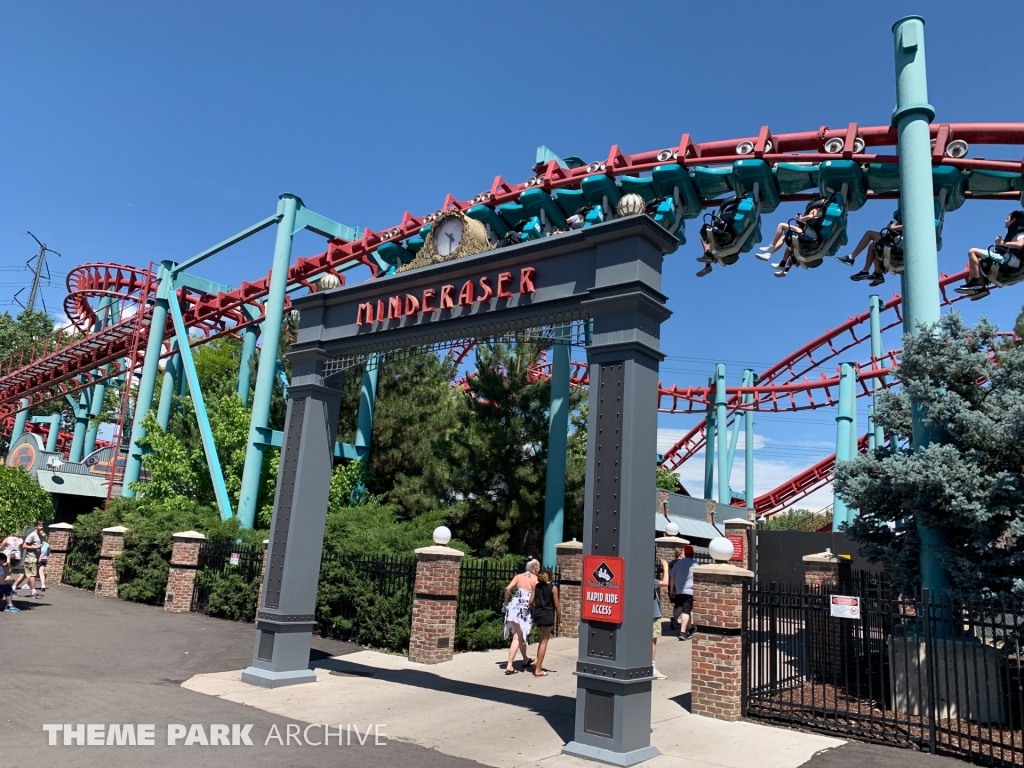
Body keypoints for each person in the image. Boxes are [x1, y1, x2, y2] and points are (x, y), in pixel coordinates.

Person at [755, 197, 828, 278]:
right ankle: (782, 265)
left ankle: (771, 248)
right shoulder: (823, 214)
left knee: (781, 225)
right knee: (789, 244)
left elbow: (811, 216)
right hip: (812, 236)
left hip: (808, 234)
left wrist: (800, 219)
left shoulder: (815, 209)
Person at [955, 210, 1024, 297]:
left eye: (1008, 218)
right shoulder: (1014, 232)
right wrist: (1000, 246)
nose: (1005, 221)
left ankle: (976, 283)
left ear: (1014, 220)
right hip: (1009, 260)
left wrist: (1002, 243)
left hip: (1010, 262)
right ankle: (981, 288)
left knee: (972, 251)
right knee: (979, 260)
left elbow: (1020, 244)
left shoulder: (1020, 231)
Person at [502, 559, 540, 674]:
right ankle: (509, 665)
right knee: (517, 637)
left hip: (513, 606)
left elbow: (507, 589)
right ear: (535, 567)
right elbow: (536, 596)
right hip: (524, 609)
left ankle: (525, 659)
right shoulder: (535, 579)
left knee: (520, 634)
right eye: (538, 567)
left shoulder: (518, 576)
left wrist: (505, 602)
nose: (539, 569)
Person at [836, 221, 902, 286]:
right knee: (873, 246)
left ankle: (851, 257)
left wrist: (893, 227)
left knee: (869, 234)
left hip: (900, 240)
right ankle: (873, 273)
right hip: (897, 239)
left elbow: (906, 225)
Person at [529, 567, 561, 677]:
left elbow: (530, 602)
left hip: (537, 615)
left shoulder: (536, 586)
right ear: (550, 576)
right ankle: (538, 670)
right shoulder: (553, 588)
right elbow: (557, 606)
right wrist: (560, 620)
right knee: (544, 642)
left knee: (542, 639)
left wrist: (535, 610)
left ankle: (537, 661)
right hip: (547, 615)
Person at [669, 546, 697, 640]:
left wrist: (672, 589)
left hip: (679, 591)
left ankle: (690, 628)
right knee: (686, 611)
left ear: (685, 554)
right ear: (693, 554)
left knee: (685, 610)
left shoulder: (677, 564)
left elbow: (672, 577)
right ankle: (682, 632)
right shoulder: (695, 564)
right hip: (689, 591)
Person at [14, 521, 43, 598]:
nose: (42, 527)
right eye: (40, 526)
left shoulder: (40, 536)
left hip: (34, 558)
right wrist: (35, 547)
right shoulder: (32, 535)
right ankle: (33, 593)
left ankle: (12, 589)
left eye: (42, 526)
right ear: (36, 526)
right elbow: (24, 546)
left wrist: (39, 558)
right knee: (32, 575)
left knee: (25, 575)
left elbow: (39, 548)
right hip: (30, 558)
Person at [652, 557, 669, 680]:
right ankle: (652, 667)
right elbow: (665, 582)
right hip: (653, 614)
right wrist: (666, 568)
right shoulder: (648, 579)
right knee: (652, 641)